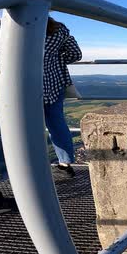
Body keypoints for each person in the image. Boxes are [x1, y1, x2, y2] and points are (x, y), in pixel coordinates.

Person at [44, 17, 82, 179]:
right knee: (57, 125)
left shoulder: (13, 29)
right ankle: (65, 165)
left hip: (23, 86)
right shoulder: (59, 30)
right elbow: (75, 54)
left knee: (24, 128)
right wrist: (56, 60)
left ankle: (29, 166)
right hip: (54, 84)